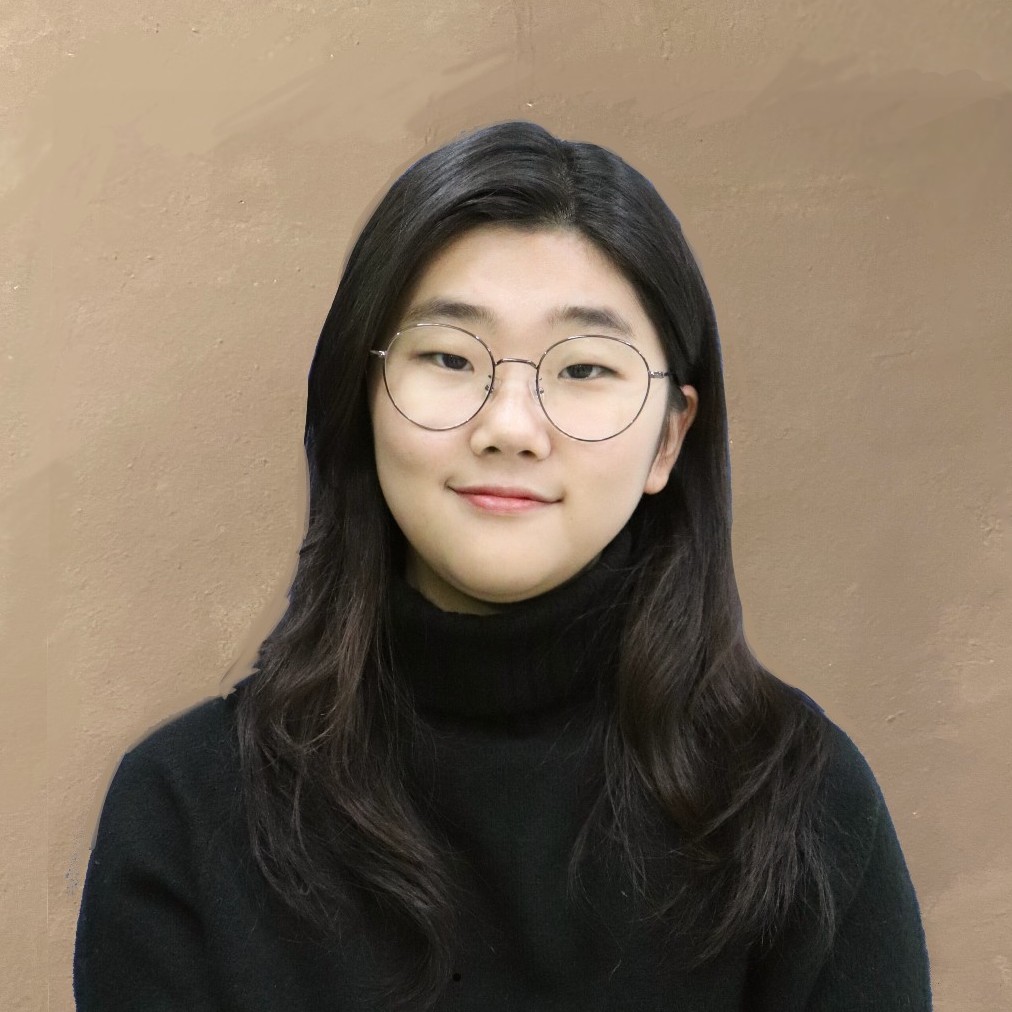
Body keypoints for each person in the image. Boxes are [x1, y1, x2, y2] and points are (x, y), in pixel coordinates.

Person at [73, 121, 932, 1010]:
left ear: (669, 439)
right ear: (363, 396)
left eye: (585, 370)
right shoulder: (185, 811)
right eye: (449, 357)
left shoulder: (803, 807)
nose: (511, 427)